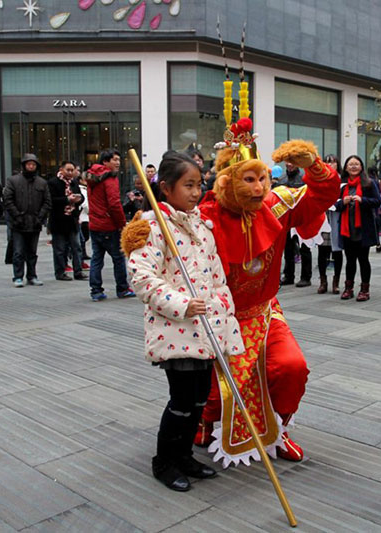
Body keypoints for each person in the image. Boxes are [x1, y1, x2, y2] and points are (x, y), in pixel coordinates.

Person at [194, 117, 340, 466]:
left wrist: (314, 167)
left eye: (262, 178)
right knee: (216, 393)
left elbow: (323, 195)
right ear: (228, 182)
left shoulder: (278, 204)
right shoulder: (205, 217)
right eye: (249, 180)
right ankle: (206, 420)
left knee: (291, 368)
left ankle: (279, 426)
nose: (259, 188)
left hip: (263, 311)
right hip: (219, 318)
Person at [122, 151, 245, 492]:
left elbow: (217, 276)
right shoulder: (151, 226)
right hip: (178, 328)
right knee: (181, 400)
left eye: (199, 184)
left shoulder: (201, 227)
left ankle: (185, 455)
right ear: (165, 187)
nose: (196, 192)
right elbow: (142, 277)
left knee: (199, 399)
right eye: (188, 185)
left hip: (207, 328)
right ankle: (165, 460)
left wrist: (221, 306)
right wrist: (181, 304)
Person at [86, 150, 135, 301]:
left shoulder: (92, 177)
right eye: (114, 159)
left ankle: (95, 291)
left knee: (96, 258)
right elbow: (114, 204)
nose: (118, 163)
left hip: (95, 224)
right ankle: (122, 288)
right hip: (108, 225)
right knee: (118, 258)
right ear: (105, 162)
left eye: (119, 159)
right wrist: (121, 223)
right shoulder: (109, 179)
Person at [334, 155, 380, 301]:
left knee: (363, 259)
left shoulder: (369, 183)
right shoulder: (341, 184)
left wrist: (363, 200)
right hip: (346, 229)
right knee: (350, 260)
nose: (353, 167)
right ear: (346, 167)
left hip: (363, 229)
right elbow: (334, 204)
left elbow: (377, 201)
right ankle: (348, 288)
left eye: (356, 164)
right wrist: (343, 202)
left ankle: (365, 290)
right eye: (350, 164)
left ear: (361, 167)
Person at [3, 153, 51, 287]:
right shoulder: (13, 180)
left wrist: (40, 217)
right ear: (24, 165)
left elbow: (47, 202)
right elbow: (8, 200)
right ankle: (18, 276)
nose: (31, 166)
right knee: (18, 251)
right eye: (28, 164)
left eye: (33, 164)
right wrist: (17, 216)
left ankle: (32, 275)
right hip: (18, 223)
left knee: (32, 252)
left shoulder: (42, 182)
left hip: (34, 222)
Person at [48, 160, 85, 281]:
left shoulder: (74, 182)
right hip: (58, 220)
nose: (70, 172)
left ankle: (78, 271)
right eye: (67, 170)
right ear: (61, 170)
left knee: (77, 247)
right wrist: (67, 199)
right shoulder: (53, 183)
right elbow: (51, 200)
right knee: (60, 249)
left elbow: (81, 197)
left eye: (72, 170)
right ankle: (60, 272)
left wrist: (78, 199)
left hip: (72, 220)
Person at [277, 162, 313, 287]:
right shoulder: (281, 179)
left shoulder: (304, 178)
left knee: (304, 247)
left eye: (292, 162)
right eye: (287, 161)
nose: (289, 164)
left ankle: (306, 277)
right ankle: (288, 275)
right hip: (286, 219)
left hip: (302, 218)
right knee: (288, 249)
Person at [316, 154, 343, 294]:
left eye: (332, 162)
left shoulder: (342, 181)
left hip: (337, 218)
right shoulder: (319, 180)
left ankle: (336, 281)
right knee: (322, 250)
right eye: (326, 162)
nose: (330, 164)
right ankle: (323, 281)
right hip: (323, 218)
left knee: (337, 250)